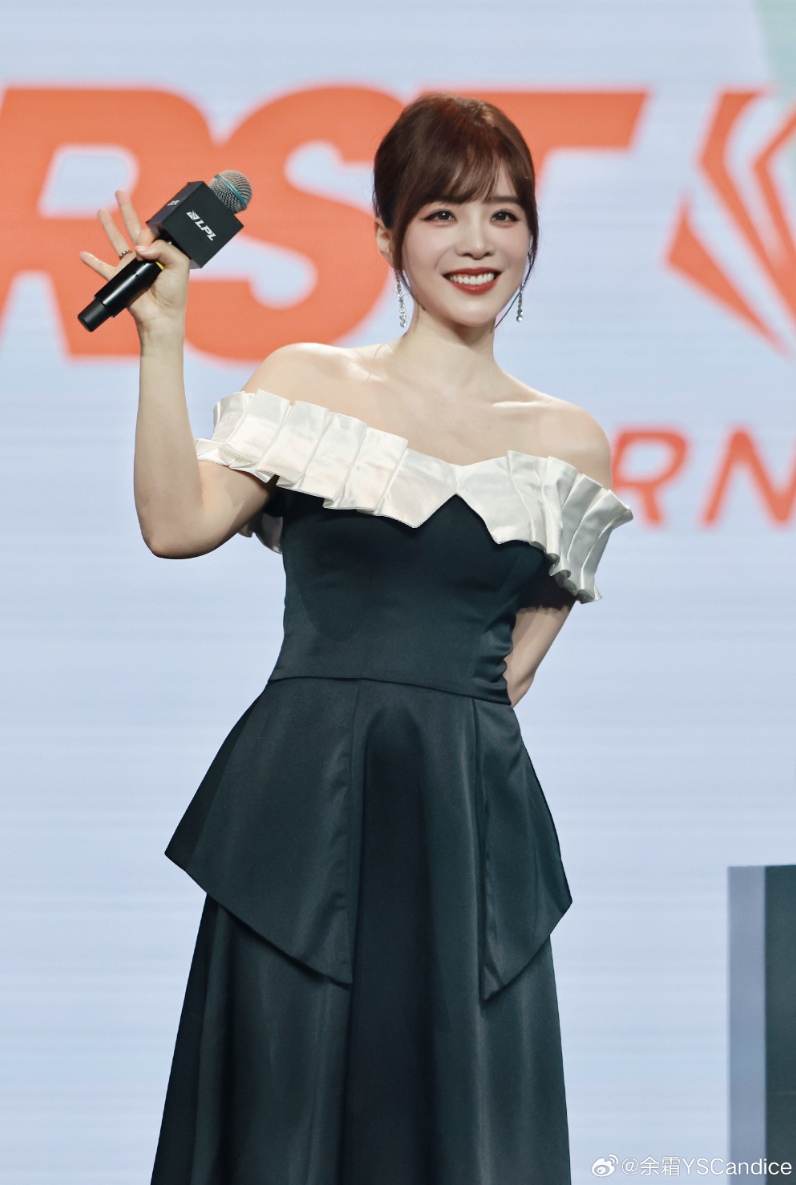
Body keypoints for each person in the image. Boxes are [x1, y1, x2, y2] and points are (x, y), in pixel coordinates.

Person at [80, 93, 632, 1185]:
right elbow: (176, 523)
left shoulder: (569, 443)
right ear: (386, 236)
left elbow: (514, 668)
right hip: (304, 819)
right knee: (283, 1124)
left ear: (531, 236)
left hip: (466, 831)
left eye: (504, 215)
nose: (476, 243)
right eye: (442, 214)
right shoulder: (309, 382)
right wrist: (164, 339)